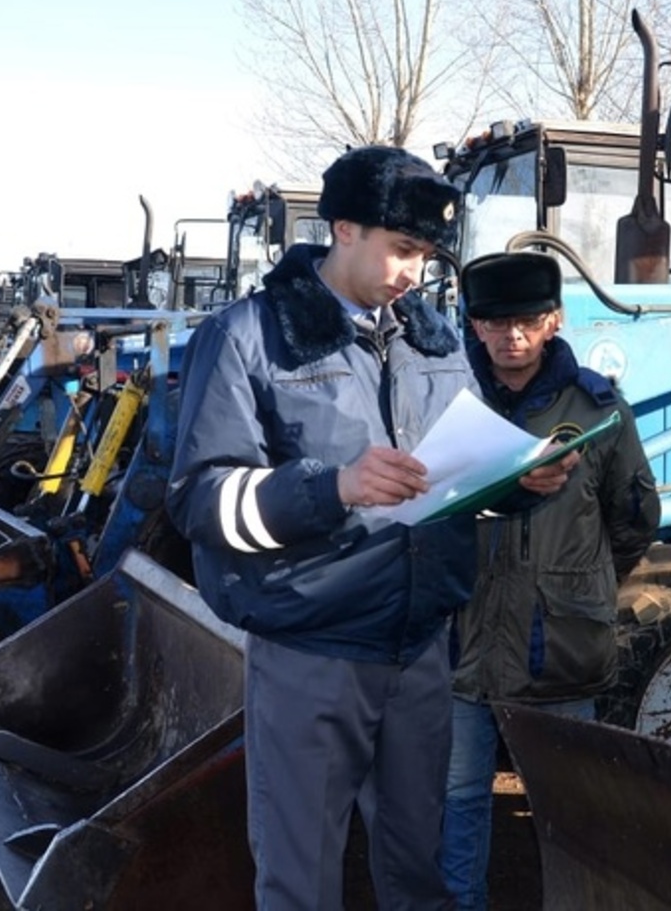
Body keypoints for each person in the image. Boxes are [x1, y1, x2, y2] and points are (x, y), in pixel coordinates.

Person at [165, 147, 572, 910]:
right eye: (402, 249)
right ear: (343, 228)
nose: (415, 271)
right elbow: (199, 500)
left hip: (419, 651)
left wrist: (517, 483)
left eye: (425, 253)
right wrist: (334, 487)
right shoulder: (248, 338)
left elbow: (453, 480)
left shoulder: (436, 340)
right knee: (302, 878)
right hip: (310, 654)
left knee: (418, 869)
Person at [440, 251, 661, 908]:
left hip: (558, 647)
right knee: (456, 804)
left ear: (555, 320)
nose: (512, 336)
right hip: (462, 647)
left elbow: (634, 516)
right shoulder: (450, 401)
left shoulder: (596, 410)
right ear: (474, 326)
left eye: (528, 320)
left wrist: (583, 584)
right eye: (495, 321)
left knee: (569, 814)